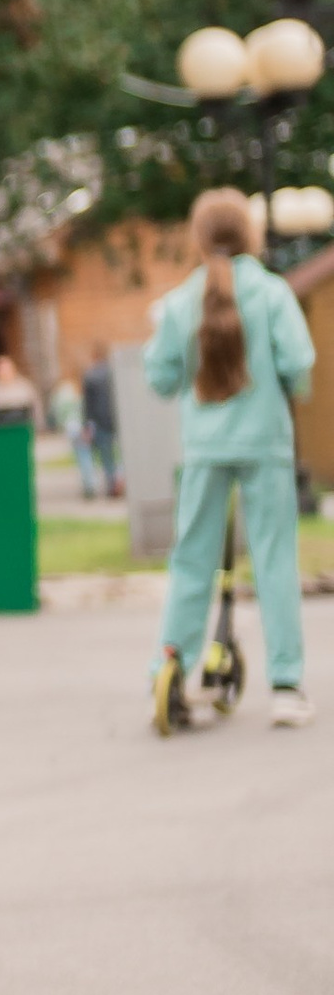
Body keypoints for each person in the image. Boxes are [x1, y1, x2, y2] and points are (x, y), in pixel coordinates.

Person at [147, 188, 316, 727]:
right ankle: (286, 685)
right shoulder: (272, 294)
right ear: (251, 237)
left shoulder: (180, 301)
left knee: (192, 560)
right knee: (273, 559)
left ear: (199, 241)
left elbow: (160, 377)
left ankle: (169, 668)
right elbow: (299, 366)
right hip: (265, 443)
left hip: (204, 448)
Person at [78, 351, 120, 504]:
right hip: (117, 419)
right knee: (121, 454)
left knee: (107, 456)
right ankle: (118, 481)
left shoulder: (90, 376)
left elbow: (87, 405)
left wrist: (86, 425)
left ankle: (112, 484)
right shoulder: (115, 373)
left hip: (100, 421)